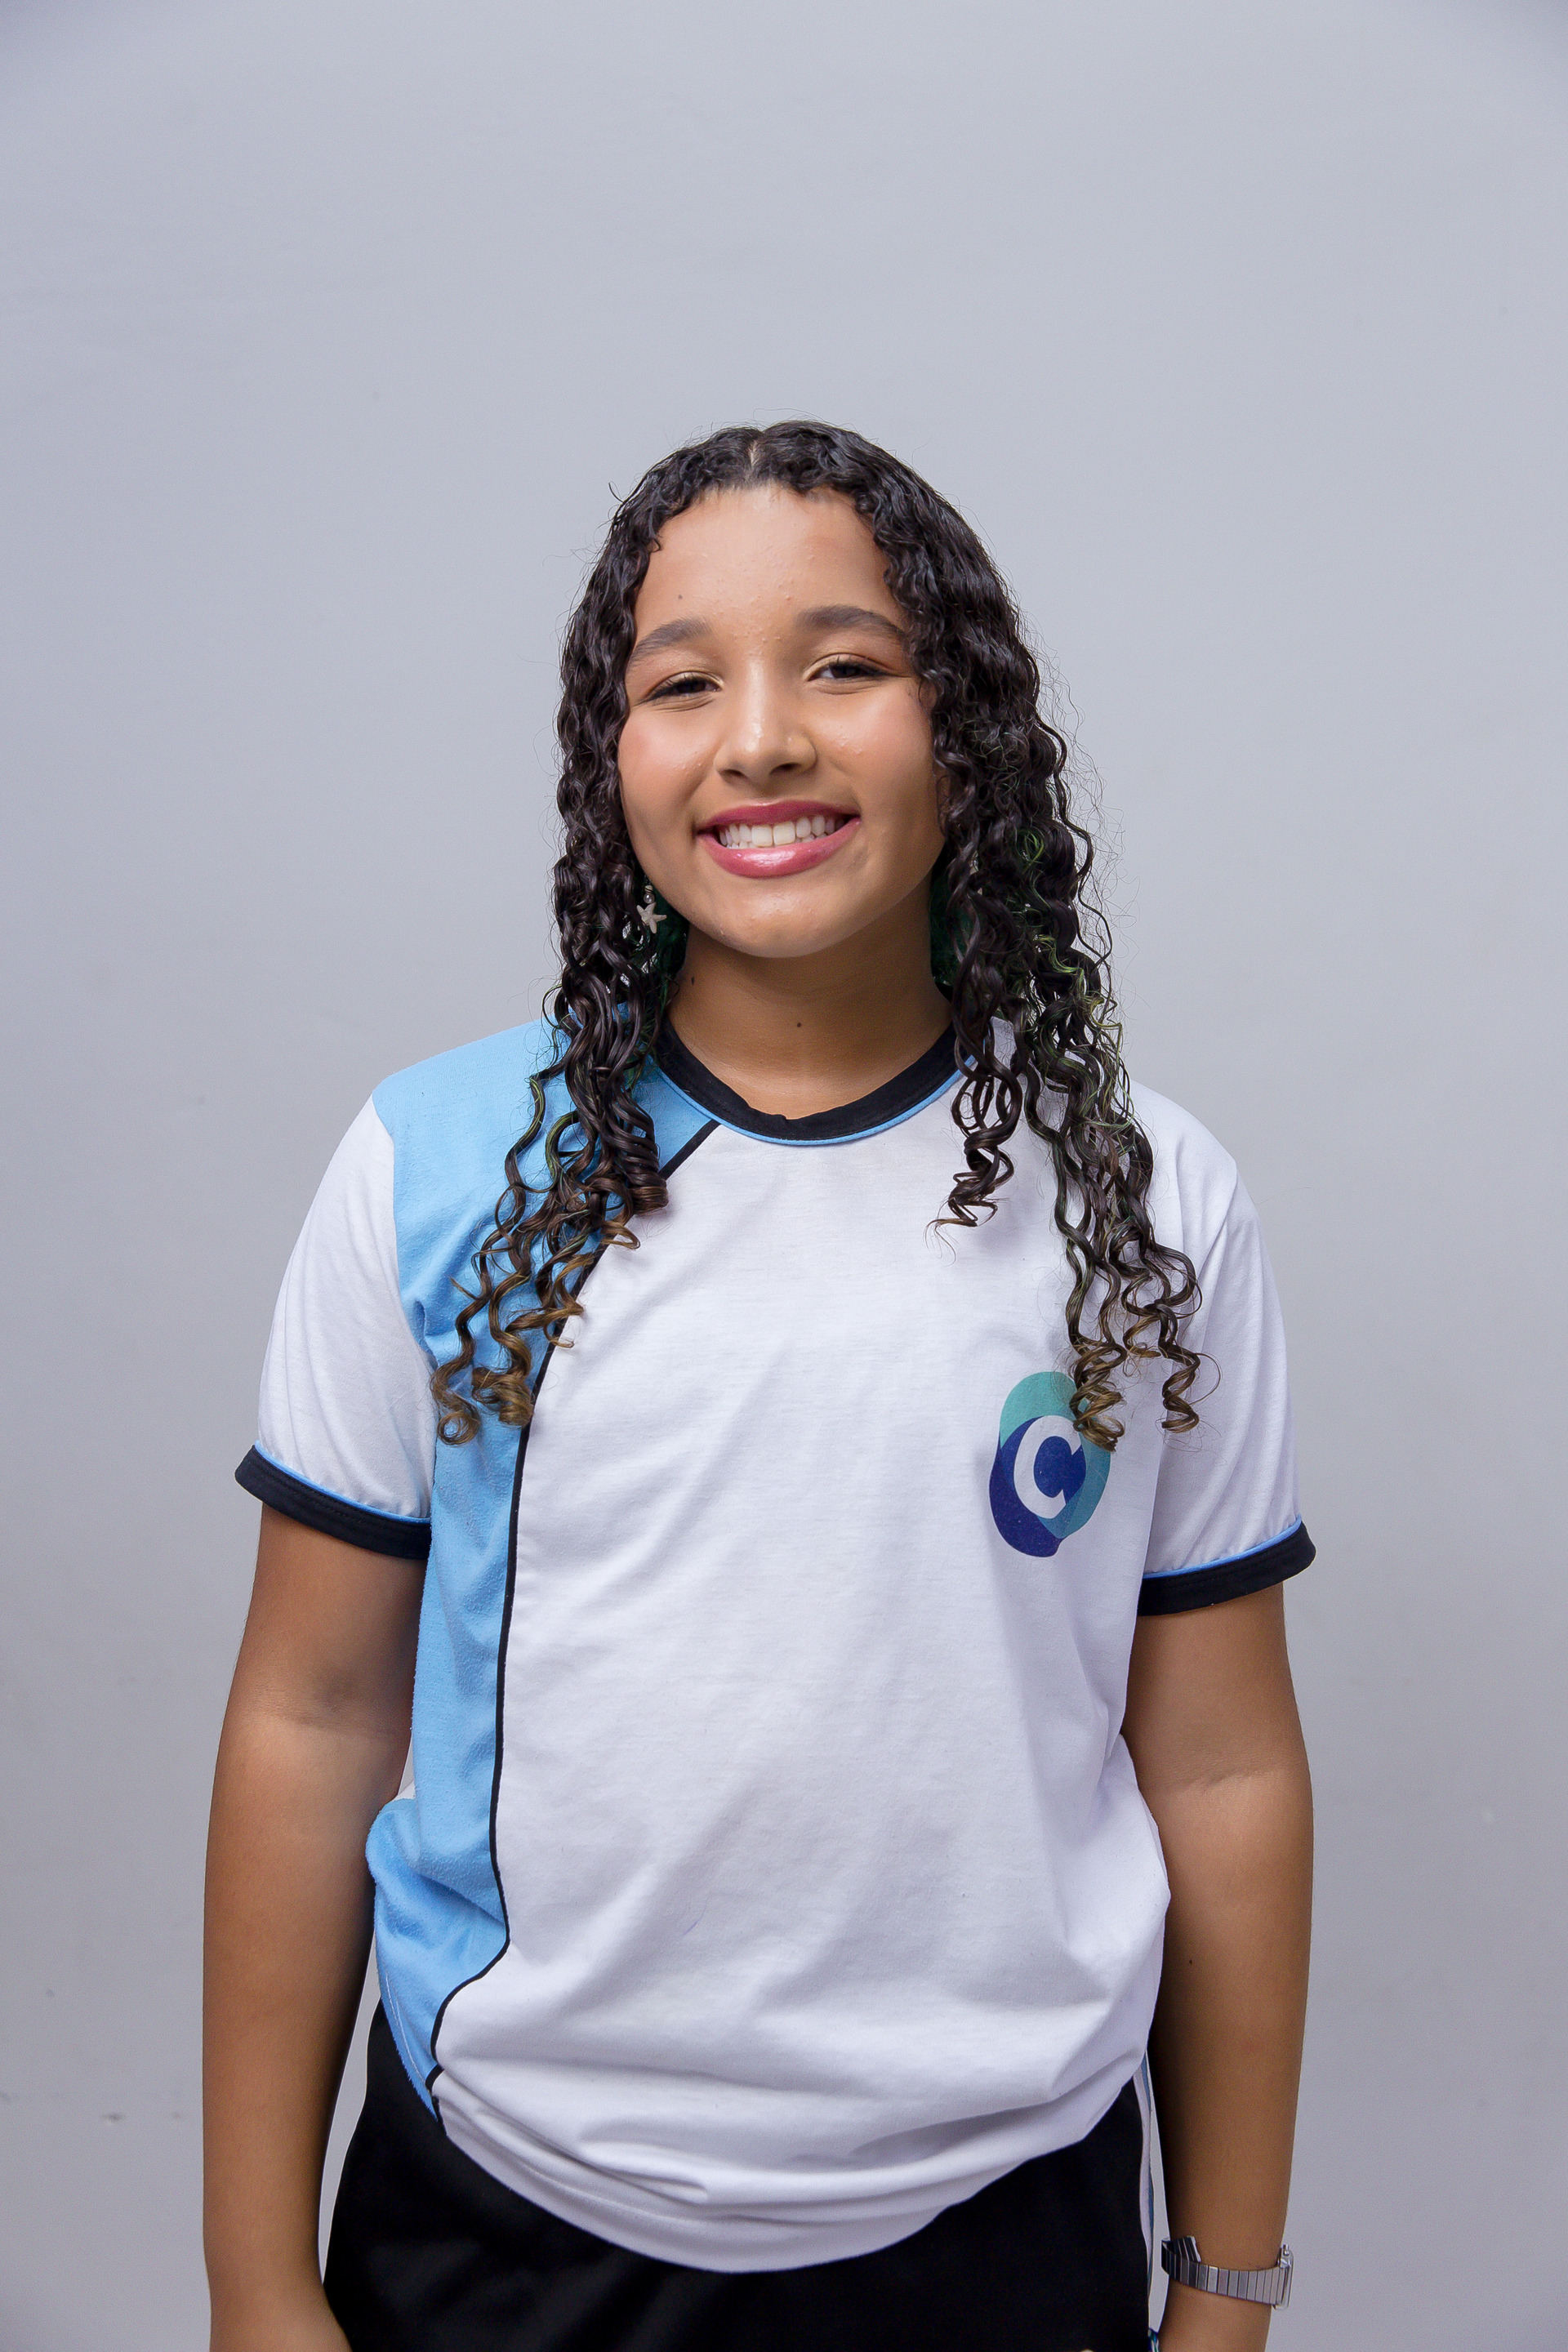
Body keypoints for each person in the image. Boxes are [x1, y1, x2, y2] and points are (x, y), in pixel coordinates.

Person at [204, 421, 1313, 2352]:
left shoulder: (1143, 1202)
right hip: (515, 2224)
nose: (765, 740)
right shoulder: (440, 1169)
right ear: (610, 754)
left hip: (1003, 2224)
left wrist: (1225, 2288)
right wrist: (251, 2281)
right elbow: (312, 1717)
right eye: (683, 683)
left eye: (846, 664)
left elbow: (1221, 1768)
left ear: (967, 729)